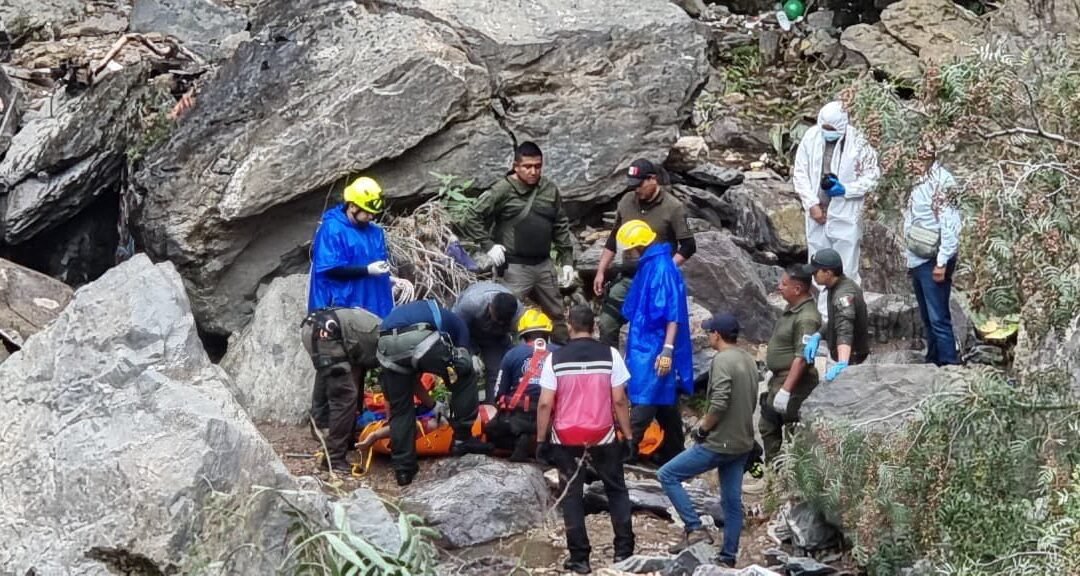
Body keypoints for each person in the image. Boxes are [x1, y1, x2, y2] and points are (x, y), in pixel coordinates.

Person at [536, 305, 635, 574]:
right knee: (616, 489)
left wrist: (541, 440)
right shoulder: (611, 355)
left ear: (570, 326)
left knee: (572, 496)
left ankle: (580, 559)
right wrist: (628, 435)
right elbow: (619, 399)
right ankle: (624, 551)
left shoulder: (554, 359)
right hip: (603, 434)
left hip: (565, 437)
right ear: (594, 326)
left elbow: (545, 403)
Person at [658, 313, 757, 566]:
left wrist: (702, 429)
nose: (708, 336)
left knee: (667, 474)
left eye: (709, 332)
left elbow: (720, 401)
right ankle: (728, 556)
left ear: (717, 335)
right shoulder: (747, 358)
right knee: (731, 501)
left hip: (719, 441)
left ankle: (694, 528)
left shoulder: (722, 360)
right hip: (742, 442)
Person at [455, 142, 575, 343]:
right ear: (516, 166)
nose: (533, 171)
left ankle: (561, 353)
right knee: (506, 314)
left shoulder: (549, 189)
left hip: (544, 264)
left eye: (537, 166)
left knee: (556, 314)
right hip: (514, 267)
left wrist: (567, 261)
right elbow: (471, 217)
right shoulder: (502, 190)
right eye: (527, 166)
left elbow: (560, 224)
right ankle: (510, 355)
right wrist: (488, 245)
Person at [376, 300, 488, 486]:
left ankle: (403, 469)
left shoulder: (422, 313)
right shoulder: (459, 325)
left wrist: (433, 405)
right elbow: (460, 363)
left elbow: (412, 381)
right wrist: (469, 361)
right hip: (419, 337)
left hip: (386, 343)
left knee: (400, 409)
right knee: (466, 372)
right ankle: (463, 438)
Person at [593, 159, 697, 349]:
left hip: (656, 280)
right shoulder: (626, 201)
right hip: (629, 276)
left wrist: (665, 270)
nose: (636, 190)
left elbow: (688, 246)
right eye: (632, 185)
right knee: (607, 323)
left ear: (652, 179)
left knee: (649, 331)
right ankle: (610, 363)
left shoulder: (673, 207)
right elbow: (614, 238)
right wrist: (601, 271)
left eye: (639, 185)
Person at [792, 101, 880, 317]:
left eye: (832, 129)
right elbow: (800, 174)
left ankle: (845, 317)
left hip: (845, 216)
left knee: (846, 270)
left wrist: (846, 189)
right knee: (819, 269)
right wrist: (811, 204)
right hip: (817, 215)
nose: (827, 132)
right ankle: (823, 318)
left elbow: (872, 176)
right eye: (825, 127)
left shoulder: (858, 143)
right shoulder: (811, 138)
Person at [617, 220, 694, 465]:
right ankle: (674, 452)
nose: (627, 253)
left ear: (638, 245)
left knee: (646, 395)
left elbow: (673, 312)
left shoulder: (661, 268)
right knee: (664, 399)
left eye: (629, 248)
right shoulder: (651, 263)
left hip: (654, 346)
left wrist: (667, 350)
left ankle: (627, 451)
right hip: (645, 342)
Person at [301, 307, 381, 474]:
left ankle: (325, 433)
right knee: (345, 397)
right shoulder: (387, 344)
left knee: (328, 376)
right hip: (328, 332)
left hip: (312, 327)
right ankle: (334, 458)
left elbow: (355, 374)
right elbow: (391, 388)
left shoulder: (377, 332)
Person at [308, 176, 395, 318]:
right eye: (367, 212)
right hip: (343, 306)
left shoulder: (374, 233)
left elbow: (377, 262)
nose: (371, 216)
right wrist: (367, 270)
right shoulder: (332, 229)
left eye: (373, 212)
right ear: (353, 206)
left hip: (374, 304)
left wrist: (387, 278)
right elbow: (331, 270)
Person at [904, 159, 963, 366]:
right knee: (928, 317)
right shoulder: (917, 180)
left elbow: (951, 223)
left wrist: (942, 262)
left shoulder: (942, 181)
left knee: (938, 317)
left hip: (933, 258)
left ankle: (948, 363)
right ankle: (933, 359)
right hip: (918, 255)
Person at [761, 266, 822, 463]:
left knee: (793, 433)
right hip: (779, 377)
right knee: (768, 425)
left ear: (797, 289)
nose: (779, 287)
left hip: (794, 382)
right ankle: (774, 473)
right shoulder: (793, 308)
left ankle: (791, 475)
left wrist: (786, 390)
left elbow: (802, 357)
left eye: (784, 284)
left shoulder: (806, 318)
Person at [487, 309, 560, 461]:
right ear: (547, 333)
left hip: (519, 419)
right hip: (552, 419)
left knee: (491, 430)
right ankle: (546, 445)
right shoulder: (561, 353)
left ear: (523, 335)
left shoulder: (512, 354)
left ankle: (521, 440)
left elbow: (499, 393)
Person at [801, 248, 870, 381]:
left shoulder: (843, 295)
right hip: (840, 353)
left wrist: (842, 362)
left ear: (828, 273)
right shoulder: (836, 286)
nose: (813, 276)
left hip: (852, 358)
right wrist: (818, 334)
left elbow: (845, 328)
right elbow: (835, 319)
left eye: (815, 272)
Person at [451, 282, 524, 403]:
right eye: (497, 319)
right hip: (468, 331)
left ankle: (492, 406)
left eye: (503, 321)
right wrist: (469, 353)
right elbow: (457, 328)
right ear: (490, 307)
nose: (500, 322)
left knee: (496, 372)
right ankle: (465, 407)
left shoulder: (519, 313)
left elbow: (521, 339)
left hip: (495, 338)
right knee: (465, 368)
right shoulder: (472, 303)